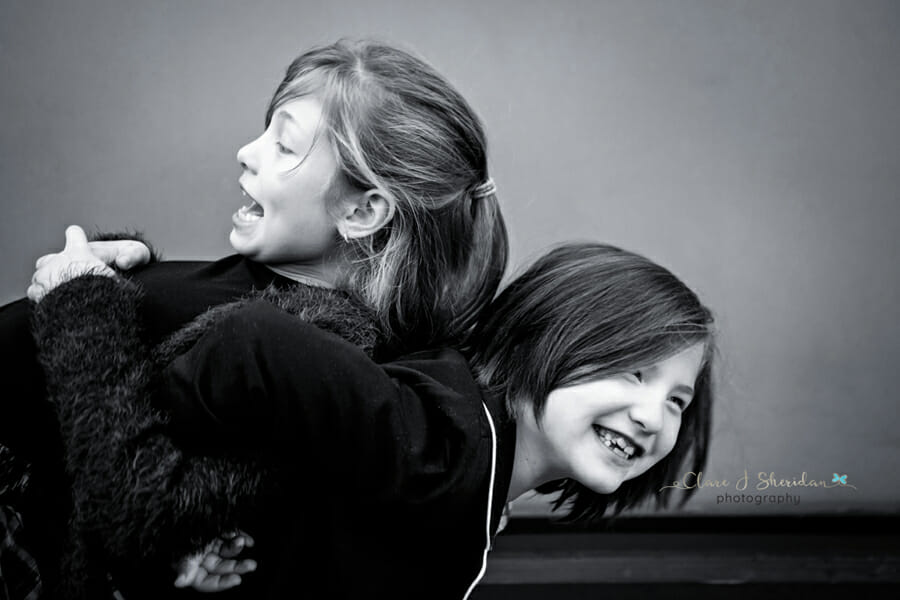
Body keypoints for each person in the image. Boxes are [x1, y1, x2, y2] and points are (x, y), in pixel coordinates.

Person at [0, 38, 507, 598]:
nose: (247, 151)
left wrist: (81, 303)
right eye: (266, 130)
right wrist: (132, 273)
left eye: (285, 146)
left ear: (363, 211)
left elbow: (138, 499)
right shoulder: (275, 285)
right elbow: (167, 350)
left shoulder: (304, 348)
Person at [30, 241, 715, 600]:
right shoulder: (440, 445)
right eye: (632, 372)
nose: (653, 415)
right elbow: (252, 342)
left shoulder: (470, 477)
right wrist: (171, 510)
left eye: (679, 400)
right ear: (548, 338)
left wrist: (218, 511)